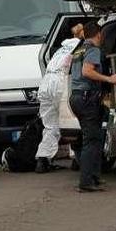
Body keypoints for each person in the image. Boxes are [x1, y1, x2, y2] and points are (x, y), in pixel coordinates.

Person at [68, 21, 116, 192]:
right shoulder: (93, 49)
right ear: (99, 35)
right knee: (91, 140)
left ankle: (94, 177)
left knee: (95, 138)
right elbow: (87, 71)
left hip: (77, 98)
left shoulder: (79, 49)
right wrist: (109, 79)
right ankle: (85, 182)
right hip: (86, 99)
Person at [34, 23, 84, 174]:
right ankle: (78, 159)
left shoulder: (62, 47)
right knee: (73, 121)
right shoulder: (81, 46)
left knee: (50, 124)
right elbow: (74, 66)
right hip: (62, 81)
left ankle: (43, 160)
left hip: (46, 83)